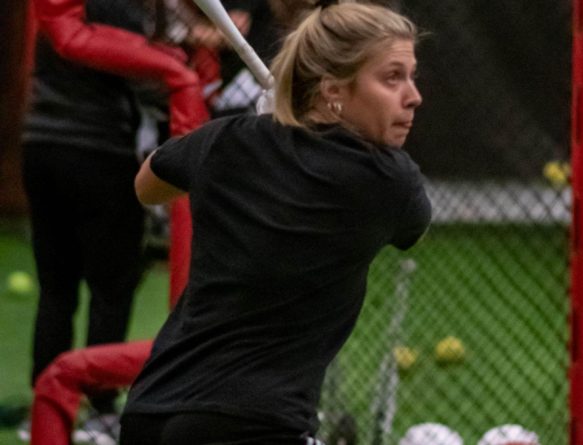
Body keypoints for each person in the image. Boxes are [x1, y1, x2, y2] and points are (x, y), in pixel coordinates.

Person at [119, 1, 430, 443]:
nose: (413, 95)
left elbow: (147, 186)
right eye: (392, 78)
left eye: (410, 76)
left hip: (152, 412)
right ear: (332, 89)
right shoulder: (388, 180)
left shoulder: (225, 140)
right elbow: (412, 228)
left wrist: (252, 134)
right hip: (255, 424)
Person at [20, 0, 155, 439]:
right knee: (111, 287)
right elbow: (143, 72)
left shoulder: (55, 8)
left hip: (40, 145)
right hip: (100, 151)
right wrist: (182, 66)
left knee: (56, 289)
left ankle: (43, 408)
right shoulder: (117, 6)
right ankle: (100, 412)